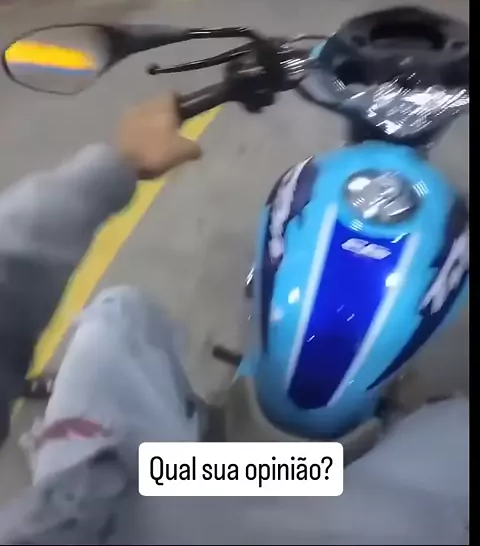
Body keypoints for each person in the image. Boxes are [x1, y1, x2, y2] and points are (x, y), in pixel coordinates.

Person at [0, 94, 469, 545]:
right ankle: (315, 468)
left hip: (113, 500)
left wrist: (116, 168)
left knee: (116, 316)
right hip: (347, 523)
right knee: (457, 429)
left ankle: (235, 454)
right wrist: (120, 164)